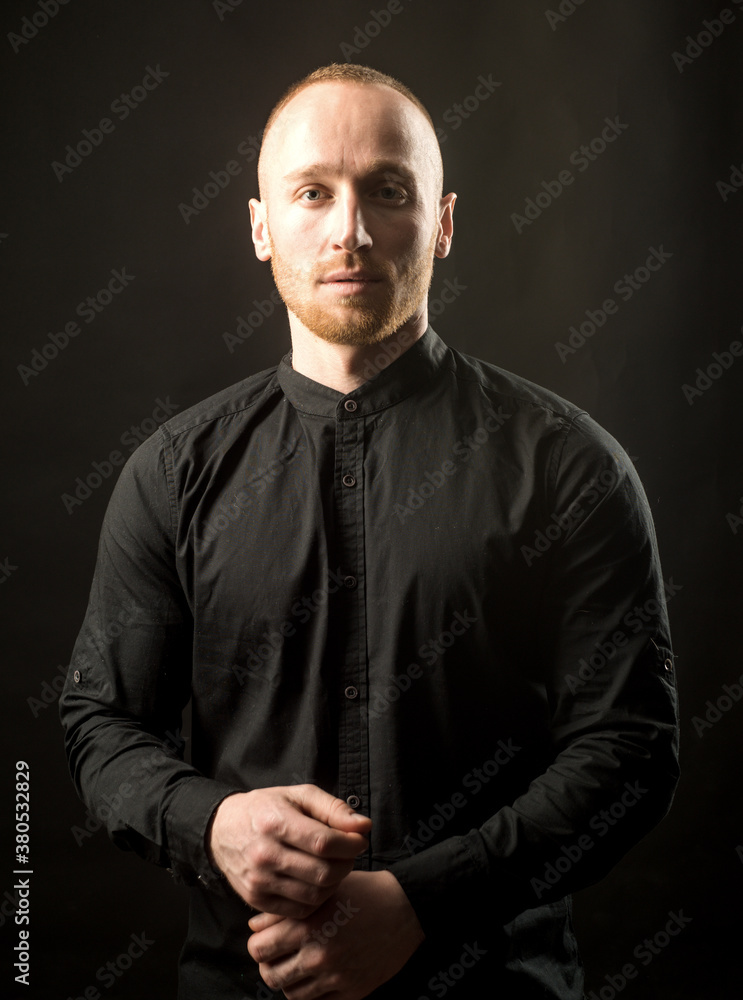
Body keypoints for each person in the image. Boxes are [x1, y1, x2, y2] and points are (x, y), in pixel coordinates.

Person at [60, 63, 680, 1000]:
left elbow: (630, 749)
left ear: (442, 221)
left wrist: (424, 902)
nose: (348, 229)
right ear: (262, 227)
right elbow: (99, 724)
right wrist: (211, 823)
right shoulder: (173, 473)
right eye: (312, 192)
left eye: (387, 191)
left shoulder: (570, 467)